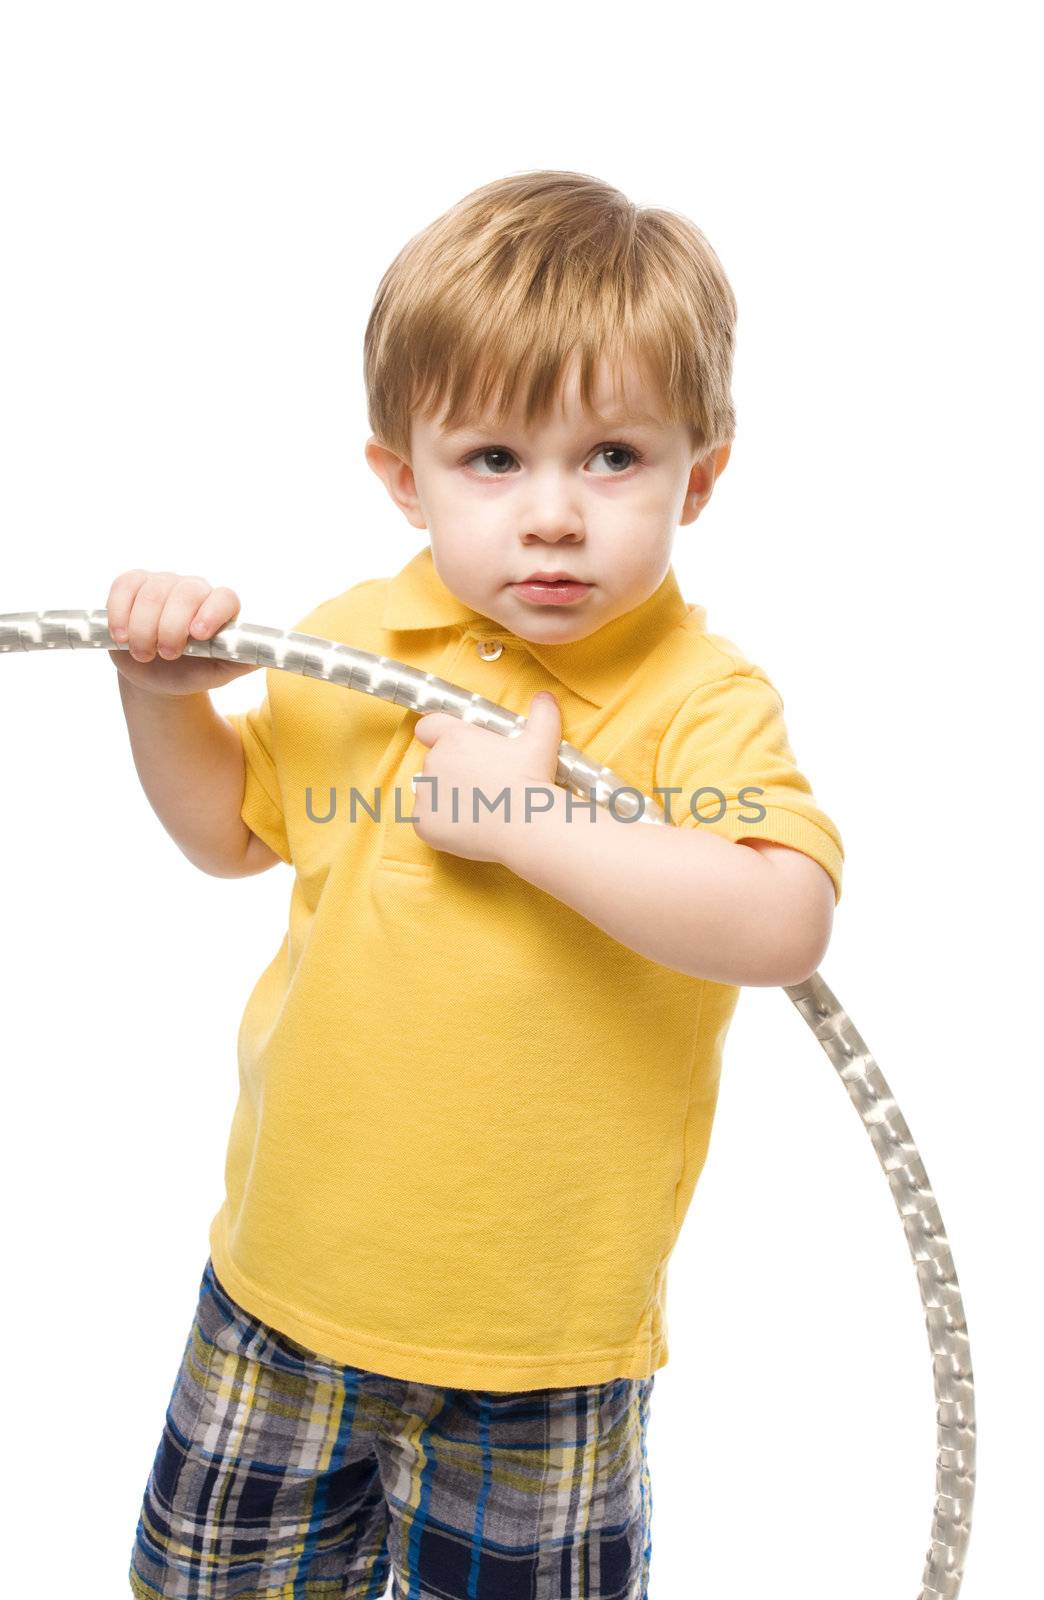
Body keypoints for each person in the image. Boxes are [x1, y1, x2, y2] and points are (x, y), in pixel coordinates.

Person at [119, 169, 843, 1600]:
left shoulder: (701, 702)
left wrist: (533, 830)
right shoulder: (356, 639)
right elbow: (228, 832)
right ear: (406, 473)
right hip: (284, 1294)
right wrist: (160, 698)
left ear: (702, 475)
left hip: (545, 1352)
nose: (556, 516)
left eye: (616, 458)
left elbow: (782, 919)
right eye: (496, 459)